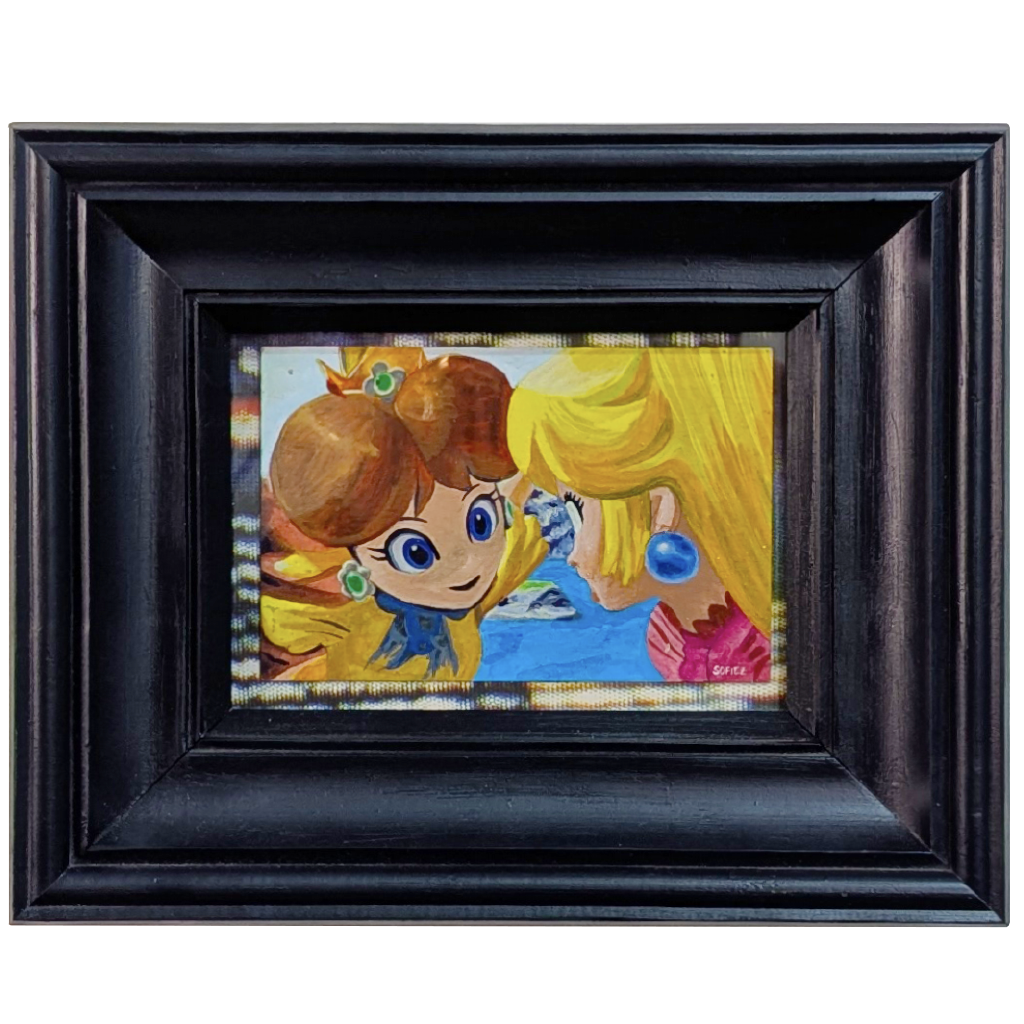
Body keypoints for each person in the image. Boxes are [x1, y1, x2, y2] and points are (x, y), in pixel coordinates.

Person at [261, 347, 545, 682]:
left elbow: (519, 485)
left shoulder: (465, 600)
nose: (467, 562)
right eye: (414, 552)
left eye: (480, 522)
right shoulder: (342, 619)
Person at [506, 346, 774, 684]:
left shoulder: (764, 645)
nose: (572, 556)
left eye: (577, 512)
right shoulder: (667, 636)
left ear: (659, 510)